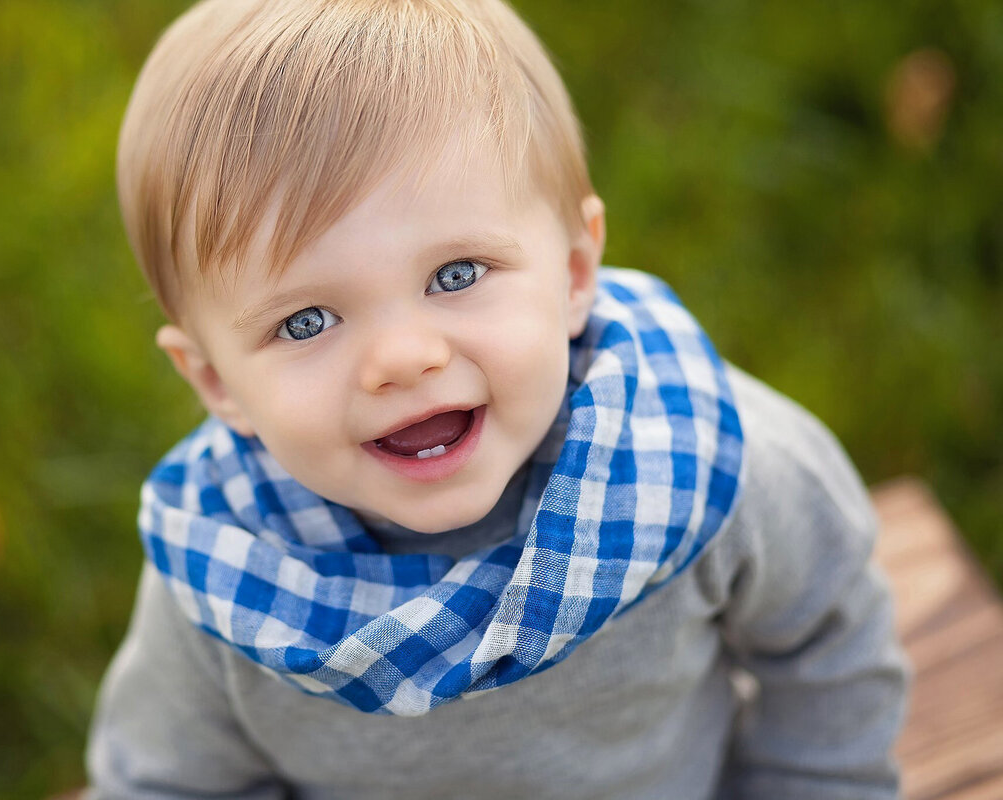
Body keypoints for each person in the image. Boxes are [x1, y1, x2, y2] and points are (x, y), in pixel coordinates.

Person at [86, 0, 909, 797]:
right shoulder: (231, 572)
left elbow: (827, 633)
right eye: (306, 321)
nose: (403, 360)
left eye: (455, 275)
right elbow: (166, 781)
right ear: (217, 382)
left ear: (575, 273)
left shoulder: (703, 464)